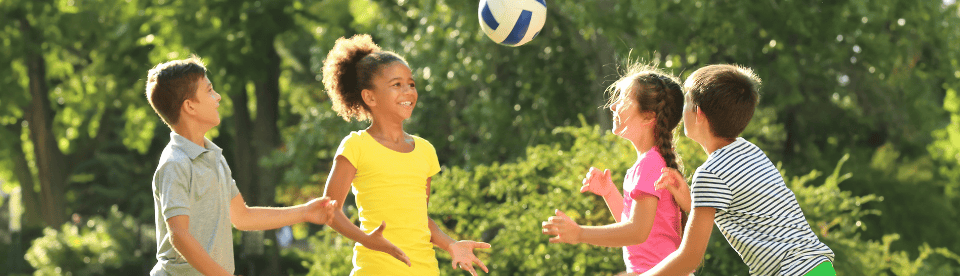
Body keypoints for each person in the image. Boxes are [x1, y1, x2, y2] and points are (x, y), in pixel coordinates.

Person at [146, 56, 337, 276]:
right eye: (209, 91)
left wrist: (304, 212)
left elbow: (242, 216)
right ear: (189, 106)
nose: (217, 97)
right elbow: (179, 235)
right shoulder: (175, 163)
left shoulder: (214, 157)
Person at [319, 34, 491, 276]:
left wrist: (451, 244)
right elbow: (328, 210)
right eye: (396, 85)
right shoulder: (356, 145)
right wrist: (367, 240)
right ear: (370, 97)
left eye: (411, 84)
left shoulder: (425, 150)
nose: (408, 91)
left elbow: (421, 220)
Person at [642, 64, 836, 275]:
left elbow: (690, 257)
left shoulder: (711, 173)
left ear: (698, 113)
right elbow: (726, 208)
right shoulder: (750, 151)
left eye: (686, 104)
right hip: (819, 267)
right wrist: (684, 194)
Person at [540, 63, 691, 275]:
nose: (612, 106)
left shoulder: (650, 164)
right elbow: (634, 226)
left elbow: (637, 232)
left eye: (623, 99)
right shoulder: (649, 162)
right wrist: (609, 193)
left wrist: (579, 233)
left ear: (648, 117)